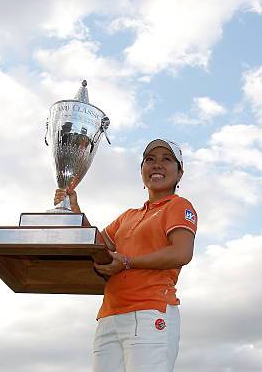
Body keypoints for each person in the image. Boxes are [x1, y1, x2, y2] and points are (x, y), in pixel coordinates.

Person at [54, 139, 198, 372]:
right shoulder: (128, 216)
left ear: (179, 173)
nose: (157, 165)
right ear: (142, 171)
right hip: (110, 314)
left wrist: (128, 262)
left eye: (166, 159)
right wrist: (75, 211)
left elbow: (182, 253)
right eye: (150, 160)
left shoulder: (179, 206)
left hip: (150, 311)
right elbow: (99, 247)